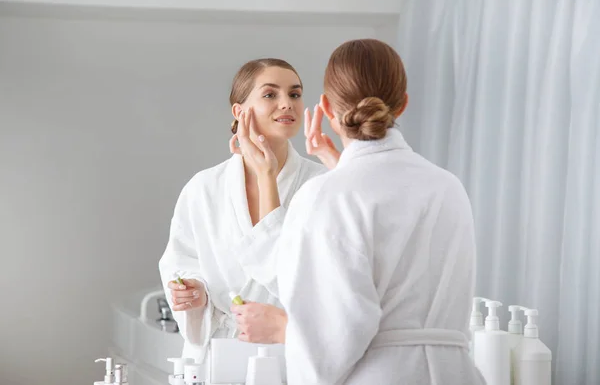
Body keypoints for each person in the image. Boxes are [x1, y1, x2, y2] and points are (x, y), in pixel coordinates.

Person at [234, 39, 485, 384]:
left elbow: (332, 331)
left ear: (326, 108)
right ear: (404, 104)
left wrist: (282, 329)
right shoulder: (448, 187)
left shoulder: (327, 194)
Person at [157, 58, 327, 364]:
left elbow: (323, 279)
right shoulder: (204, 188)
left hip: (289, 352)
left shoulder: (320, 185)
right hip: (217, 351)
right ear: (239, 111)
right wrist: (196, 292)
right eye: (270, 94)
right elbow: (180, 260)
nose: (287, 104)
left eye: (295, 94)